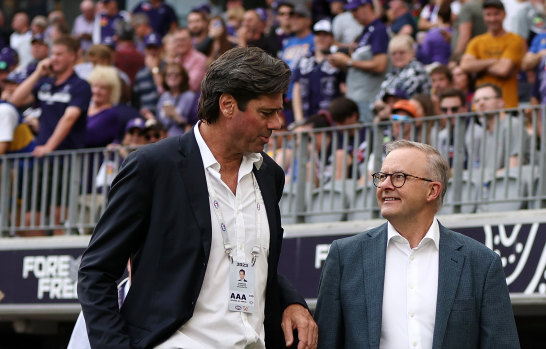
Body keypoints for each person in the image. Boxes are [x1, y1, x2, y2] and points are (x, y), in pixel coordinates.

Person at [78, 46, 318, 349]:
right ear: (228, 105)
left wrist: (292, 302)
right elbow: (96, 272)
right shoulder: (153, 166)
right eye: (266, 113)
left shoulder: (269, 175)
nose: (277, 123)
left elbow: (247, 258)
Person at [315, 139, 520, 348]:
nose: (385, 185)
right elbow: (327, 342)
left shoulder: (482, 263)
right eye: (382, 176)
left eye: (398, 177)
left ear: (432, 191)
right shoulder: (345, 256)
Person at [10, 36, 91, 156]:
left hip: (67, 157)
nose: (53, 59)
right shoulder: (46, 83)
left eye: (59, 54)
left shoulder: (80, 85)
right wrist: (37, 73)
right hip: (42, 155)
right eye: (52, 54)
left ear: (72, 56)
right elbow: (15, 100)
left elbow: (69, 119)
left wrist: (49, 147)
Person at [328, 0, 388, 123]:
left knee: (369, 138)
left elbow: (380, 65)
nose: (352, 14)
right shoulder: (366, 31)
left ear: (367, 6)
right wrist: (342, 64)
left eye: (355, 10)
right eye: (350, 10)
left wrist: (348, 61)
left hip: (368, 99)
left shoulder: (378, 30)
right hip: (357, 98)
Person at [460, 0, 526, 109]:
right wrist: (494, 61)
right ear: (483, 16)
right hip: (480, 108)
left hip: (506, 106)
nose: (492, 19)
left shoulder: (515, 39)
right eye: (488, 15)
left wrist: (478, 66)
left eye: (496, 14)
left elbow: (503, 70)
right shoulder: (476, 41)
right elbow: (465, 65)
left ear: (504, 14)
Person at [469, 82, 530, 177]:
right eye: (476, 101)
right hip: (490, 186)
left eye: (486, 99)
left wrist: (487, 178)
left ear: (500, 102)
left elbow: (514, 167)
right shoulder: (481, 131)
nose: (481, 103)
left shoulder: (512, 125)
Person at [292, 19, 345, 124]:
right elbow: (296, 91)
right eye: (318, 35)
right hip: (307, 118)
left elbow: (344, 89)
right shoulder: (303, 60)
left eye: (325, 35)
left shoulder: (338, 60)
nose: (321, 38)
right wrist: (299, 119)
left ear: (331, 38)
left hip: (331, 120)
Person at [376, 34, 431, 102]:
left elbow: (403, 97)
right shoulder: (393, 73)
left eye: (402, 52)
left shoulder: (417, 69)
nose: (397, 56)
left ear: (412, 53)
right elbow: (378, 98)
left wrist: (383, 102)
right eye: (393, 53)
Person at [85, 65, 122, 148]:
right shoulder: (85, 109)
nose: (96, 91)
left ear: (111, 91)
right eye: (94, 86)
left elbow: (90, 136)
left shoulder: (111, 114)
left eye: (103, 88)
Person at [156, 62, 195, 136]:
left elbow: (195, 123)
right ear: (164, 78)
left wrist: (176, 117)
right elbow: (159, 120)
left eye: (176, 75)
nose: (172, 77)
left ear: (183, 77)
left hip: (182, 137)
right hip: (164, 139)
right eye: (169, 75)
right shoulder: (163, 97)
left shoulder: (190, 97)